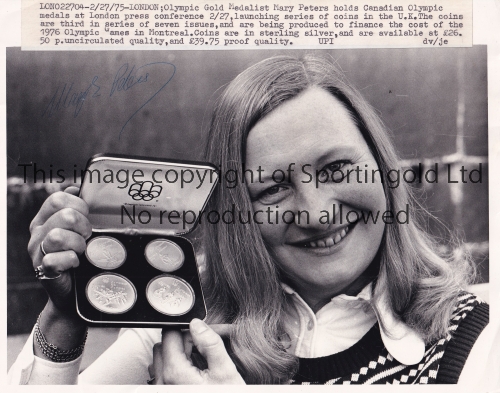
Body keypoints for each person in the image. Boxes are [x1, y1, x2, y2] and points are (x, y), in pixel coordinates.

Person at [9, 55, 490, 385]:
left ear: (383, 169)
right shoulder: (185, 317)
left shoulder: (472, 342)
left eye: (337, 168)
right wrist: (64, 319)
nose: (317, 211)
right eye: (273, 187)